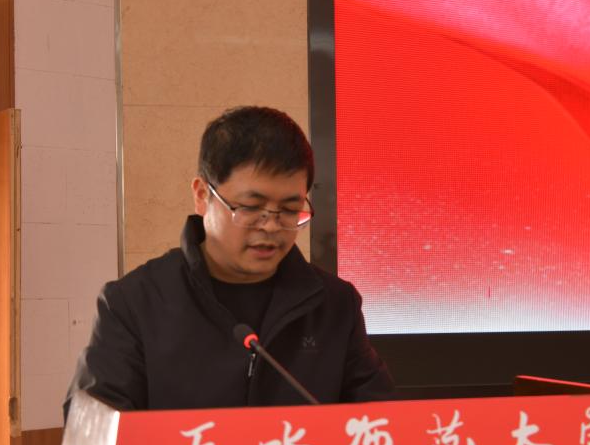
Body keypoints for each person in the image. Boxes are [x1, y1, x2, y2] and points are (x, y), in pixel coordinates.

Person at [65, 106, 394, 415]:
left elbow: (381, 424)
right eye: (250, 207)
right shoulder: (135, 304)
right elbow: (92, 435)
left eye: (290, 210)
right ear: (202, 196)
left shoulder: (335, 306)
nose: (270, 226)